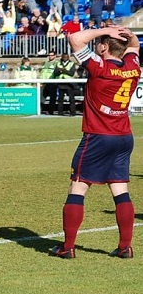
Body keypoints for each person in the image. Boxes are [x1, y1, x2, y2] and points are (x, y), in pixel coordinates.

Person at [49, 26, 140, 259]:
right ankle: (125, 246)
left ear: (104, 47)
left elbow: (74, 38)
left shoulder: (99, 67)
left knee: (78, 187)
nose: (96, 45)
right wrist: (127, 35)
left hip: (98, 136)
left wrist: (107, 29)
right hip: (123, 136)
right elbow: (134, 46)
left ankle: (67, 247)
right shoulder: (132, 67)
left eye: (99, 42)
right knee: (120, 190)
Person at [40, 51, 59, 115]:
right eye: (49, 55)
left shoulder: (57, 63)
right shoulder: (45, 63)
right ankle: (40, 110)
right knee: (41, 97)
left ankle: (51, 111)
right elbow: (42, 73)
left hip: (52, 83)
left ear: (55, 56)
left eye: (52, 55)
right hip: (44, 83)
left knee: (52, 98)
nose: (50, 56)